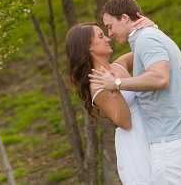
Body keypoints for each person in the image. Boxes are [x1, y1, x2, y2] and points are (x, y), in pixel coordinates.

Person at [89, 0, 181, 185]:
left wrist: (117, 84)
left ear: (125, 18)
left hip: (172, 140)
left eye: (110, 27)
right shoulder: (149, 39)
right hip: (180, 135)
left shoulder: (147, 39)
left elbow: (160, 77)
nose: (109, 34)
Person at [66, 17, 154, 185]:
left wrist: (150, 28)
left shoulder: (120, 65)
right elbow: (125, 123)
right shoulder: (96, 85)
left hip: (150, 128)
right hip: (136, 139)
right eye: (100, 36)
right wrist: (115, 90)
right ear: (88, 47)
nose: (107, 38)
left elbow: (150, 48)